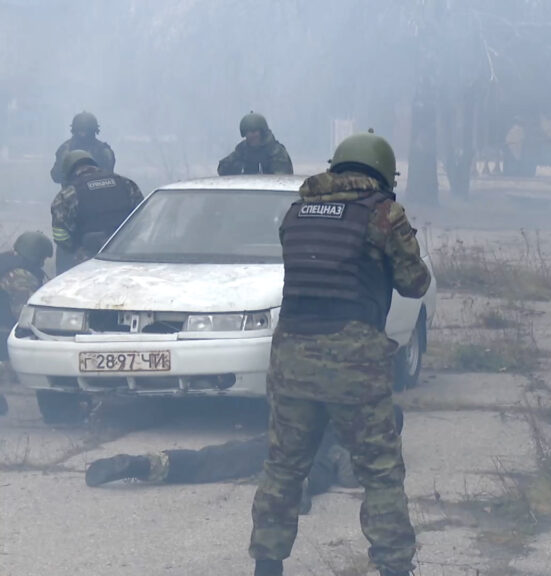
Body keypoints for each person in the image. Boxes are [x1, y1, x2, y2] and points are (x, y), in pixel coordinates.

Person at [248, 130, 430, 576]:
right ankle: (394, 568)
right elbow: (414, 283)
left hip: (292, 357)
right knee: (380, 473)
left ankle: (267, 566)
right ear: (383, 173)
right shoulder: (383, 214)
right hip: (354, 362)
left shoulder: (296, 213)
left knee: (283, 469)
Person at [84, 405, 405, 514]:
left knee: (214, 459)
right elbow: (351, 475)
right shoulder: (368, 425)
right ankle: (295, 485)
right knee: (319, 466)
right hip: (316, 447)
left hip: (285, 435)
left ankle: (145, 464)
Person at [50, 150, 144, 274]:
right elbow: (143, 218)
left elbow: (60, 234)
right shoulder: (125, 183)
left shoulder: (68, 194)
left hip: (90, 261)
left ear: (68, 171)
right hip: (127, 255)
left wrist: (76, 249)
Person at [0, 231, 54, 417]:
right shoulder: (20, 276)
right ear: (35, 255)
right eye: (42, 259)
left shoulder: (6, 261)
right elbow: (26, 316)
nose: (42, 264)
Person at [50, 111, 116, 185]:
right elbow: (56, 176)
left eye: (86, 130)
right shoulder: (65, 150)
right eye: (80, 130)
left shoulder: (103, 151)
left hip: (97, 190)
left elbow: (108, 176)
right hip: (74, 190)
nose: (83, 134)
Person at [218, 112, 293, 176]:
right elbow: (222, 169)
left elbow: (281, 179)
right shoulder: (242, 150)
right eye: (248, 132)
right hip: (245, 188)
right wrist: (239, 166)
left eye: (254, 131)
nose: (251, 135)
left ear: (262, 132)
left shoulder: (276, 152)